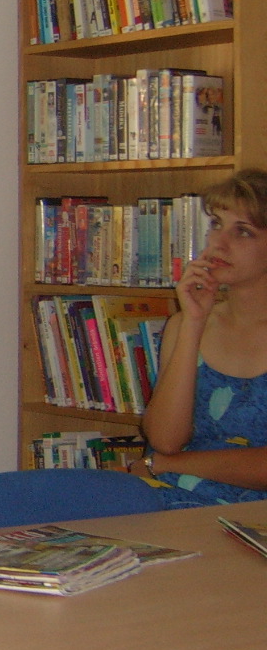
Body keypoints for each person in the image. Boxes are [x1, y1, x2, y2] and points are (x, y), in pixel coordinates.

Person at [139, 168, 267, 508]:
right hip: (166, 499)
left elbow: (164, 457)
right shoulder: (185, 324)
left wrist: (171, 464)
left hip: (249, 515)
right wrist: (193, 323)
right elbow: (165, 440)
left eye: (243, 232)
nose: (218, 243)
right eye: (216, 225)